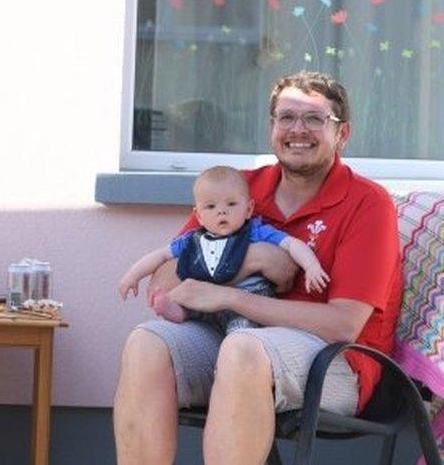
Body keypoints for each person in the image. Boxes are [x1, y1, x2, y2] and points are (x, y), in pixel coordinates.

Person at [113, 70, 403, 465]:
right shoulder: (238, 190)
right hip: (231, 337)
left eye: (315, 118)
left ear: (342, 133)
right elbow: (165, 281)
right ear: (272, 127)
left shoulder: (368, 202)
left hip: (336, 361)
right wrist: (253, 259)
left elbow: (343, 325)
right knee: (147, 342)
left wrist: (228, 295)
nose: (297, 129)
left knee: (244, 348)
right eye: (286, 117)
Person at [118, 165, 328, 330]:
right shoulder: (193, 239)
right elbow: (161, 255)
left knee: (242, 330)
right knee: (185, 304)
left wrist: (311, 266)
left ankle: (231, 359)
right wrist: (132, 276)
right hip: (204, 305)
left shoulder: (256, 231)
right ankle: (176, 311)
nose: (222, 212)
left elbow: (292, 244)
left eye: (231, 204)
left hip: (248, 304)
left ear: (249, 209)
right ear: (199, 215)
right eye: (211, 207)